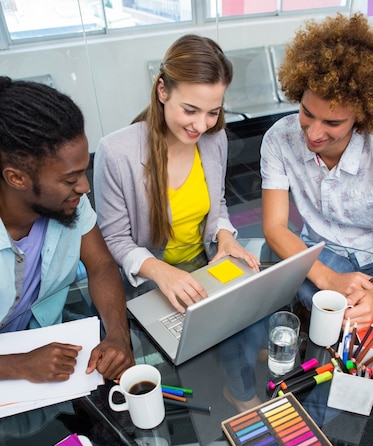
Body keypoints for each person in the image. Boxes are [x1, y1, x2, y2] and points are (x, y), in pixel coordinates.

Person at [261, 12, 373, 330]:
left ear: (360, 117)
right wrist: (328, 278)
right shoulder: (279, 137)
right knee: (304, 300)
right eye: (307, 112)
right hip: (321, 253)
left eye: (332, 123)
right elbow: (275, 228)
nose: (314, 133)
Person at [94, 34, 259, 314]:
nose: (201, 125)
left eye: (213, 112)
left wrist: (226, 238)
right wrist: (162, 272)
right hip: (152, 277)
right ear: (162, 91)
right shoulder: (116, 152)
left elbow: (217, 205)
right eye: (190, 110)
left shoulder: (214, 139)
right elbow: (115, 240)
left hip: (206, 264)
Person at [0, 77, 134, 383]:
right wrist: (18, 365)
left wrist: (117, 335)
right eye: (70, 178)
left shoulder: (68, 203)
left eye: (83, 171)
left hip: (51, 342)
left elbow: (100, 265)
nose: (85, 187)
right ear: (16, 178)